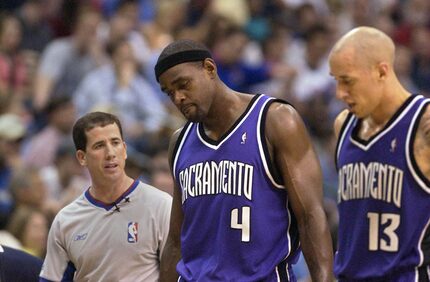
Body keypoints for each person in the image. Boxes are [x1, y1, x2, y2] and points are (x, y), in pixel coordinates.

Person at [155, 39, 333, 281]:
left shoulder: (275, 121)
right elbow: (176, 241)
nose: (178, 98)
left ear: (209, 68)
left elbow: (310, 215)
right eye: (169, 92)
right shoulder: (180, 142)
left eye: (183, 84)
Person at [330, 26, 430, 281]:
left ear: (381, 71)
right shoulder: (343, 125)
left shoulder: (422, 123)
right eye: (336, 80)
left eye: (348, 80)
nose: (340, 93)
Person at [39, 112, 172, 281]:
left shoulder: (161, 205)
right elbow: (51, 279)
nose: (110, 153)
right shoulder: (66, 220)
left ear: (124, 150)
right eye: (99, 146)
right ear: (82, 157)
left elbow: (179, 271)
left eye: (115, 143)